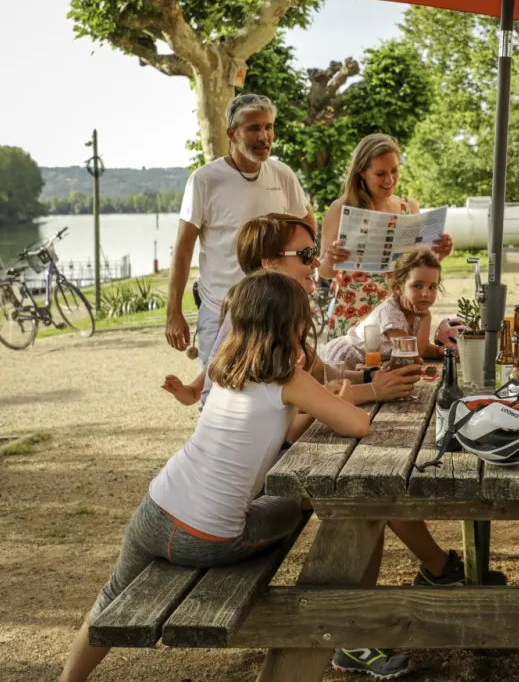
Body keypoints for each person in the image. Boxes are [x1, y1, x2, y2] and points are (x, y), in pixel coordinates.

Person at [59, 271, 367, 682]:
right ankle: (341, 624)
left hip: (156, 508)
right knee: (301, 500)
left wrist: (318, 405)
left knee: (111, 596)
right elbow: (358, 425)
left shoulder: (227, 366)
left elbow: (285, 428)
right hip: (210, 537)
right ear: (292, 323)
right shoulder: (290, 377)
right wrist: (339, 400)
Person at [164, 214, 422, 409]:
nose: (318, 261)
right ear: (271, 265)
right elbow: (294, 408)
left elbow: (319, 371)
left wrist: (371, 375)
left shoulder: (274, 313)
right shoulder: (258, 322)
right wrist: (374, 389)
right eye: (307, 254)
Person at [165, 94, 314, 366]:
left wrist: (302, 275)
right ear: (232, 134)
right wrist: (173, 311)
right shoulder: (204, 180)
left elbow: (307, 226)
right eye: (254, 128)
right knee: (213, 393)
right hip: (221, 308)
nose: (264, 136)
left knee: (277, 389)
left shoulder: (282, 174)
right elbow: (184, 249)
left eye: (268, 127)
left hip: (275, 308)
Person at [319, 134, 453, 337]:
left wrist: (438, 254)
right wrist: (330, 259)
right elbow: (324, 272)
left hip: (400, 317)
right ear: (361, 172)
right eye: (380, 173)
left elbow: (418, 268)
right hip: (353, 317)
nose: (390, 180)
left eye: (394, 170)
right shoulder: (340, 209)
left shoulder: (409, 207)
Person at [321, 248, 450, 370]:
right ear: (398, 288)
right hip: (342, 362)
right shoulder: (390, 313)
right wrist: (426, 318)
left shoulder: (415, 310)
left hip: (367, 365)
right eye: (417, 286)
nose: (425, 294)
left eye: (432, 287)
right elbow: (411, 355)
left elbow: (422, 348)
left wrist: (440, 351)